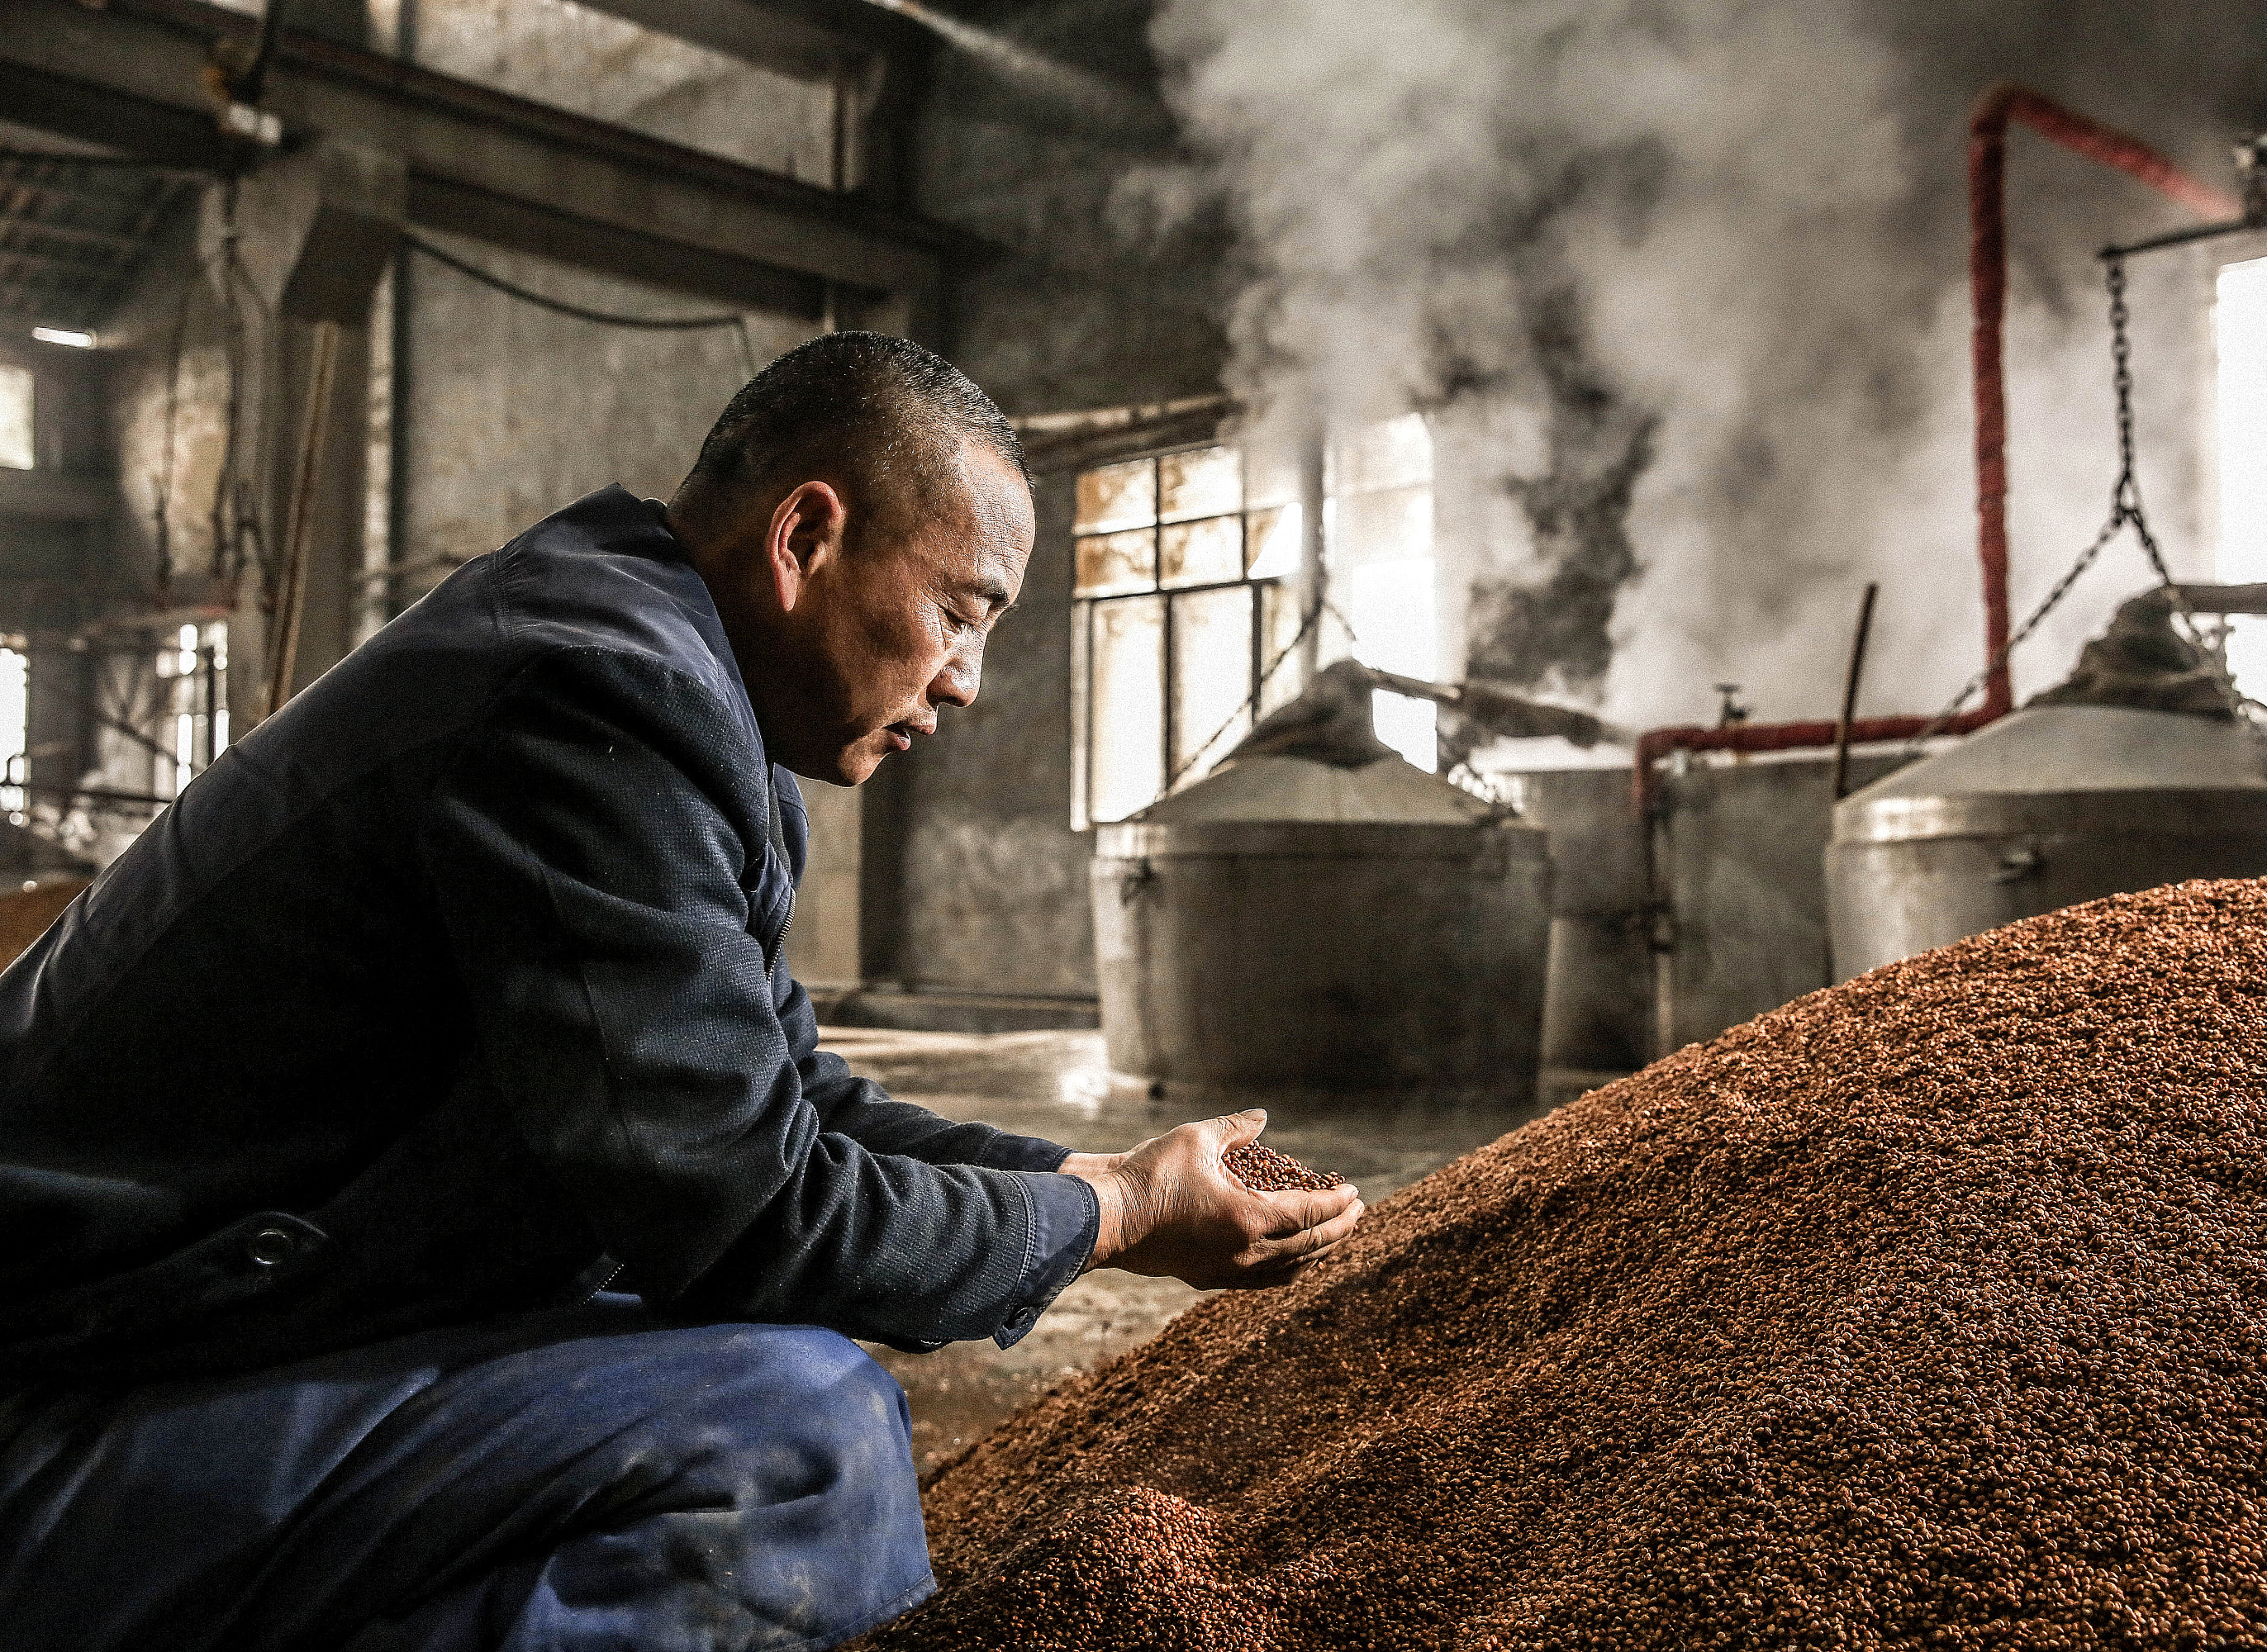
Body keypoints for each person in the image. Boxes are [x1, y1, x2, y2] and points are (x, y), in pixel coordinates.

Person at [0, 334, 1365, 1651]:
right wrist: (1111, 1216)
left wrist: (1094, 1175)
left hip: (199, 1342)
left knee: (719, 1361)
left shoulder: (677, 693)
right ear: (804, 540)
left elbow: (789, 1100)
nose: (969, 681)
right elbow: (745, 1209)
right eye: (961, 611)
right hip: (73, 1392)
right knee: (793, 1441)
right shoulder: (593, 698)